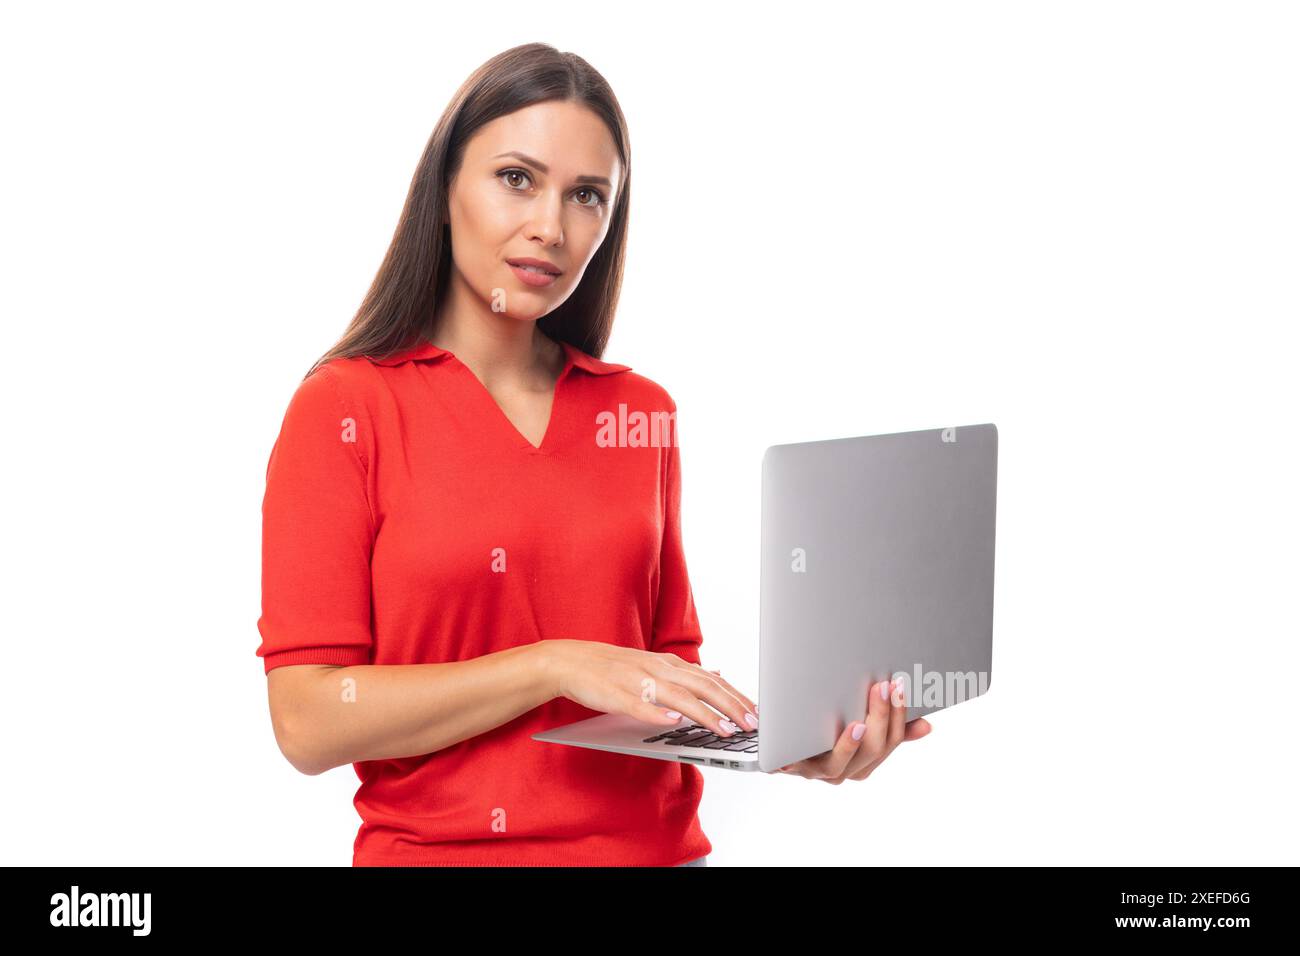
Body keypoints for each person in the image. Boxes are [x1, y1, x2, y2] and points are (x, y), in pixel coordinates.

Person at [255, 42, 929, 868]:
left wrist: (786, 740)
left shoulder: (638, 413)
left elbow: (659, 670)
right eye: (516, 178)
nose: (550, 225)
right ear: (441, 191)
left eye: (587, 196)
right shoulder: (346, 409)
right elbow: (307, 721)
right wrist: (550, 666)